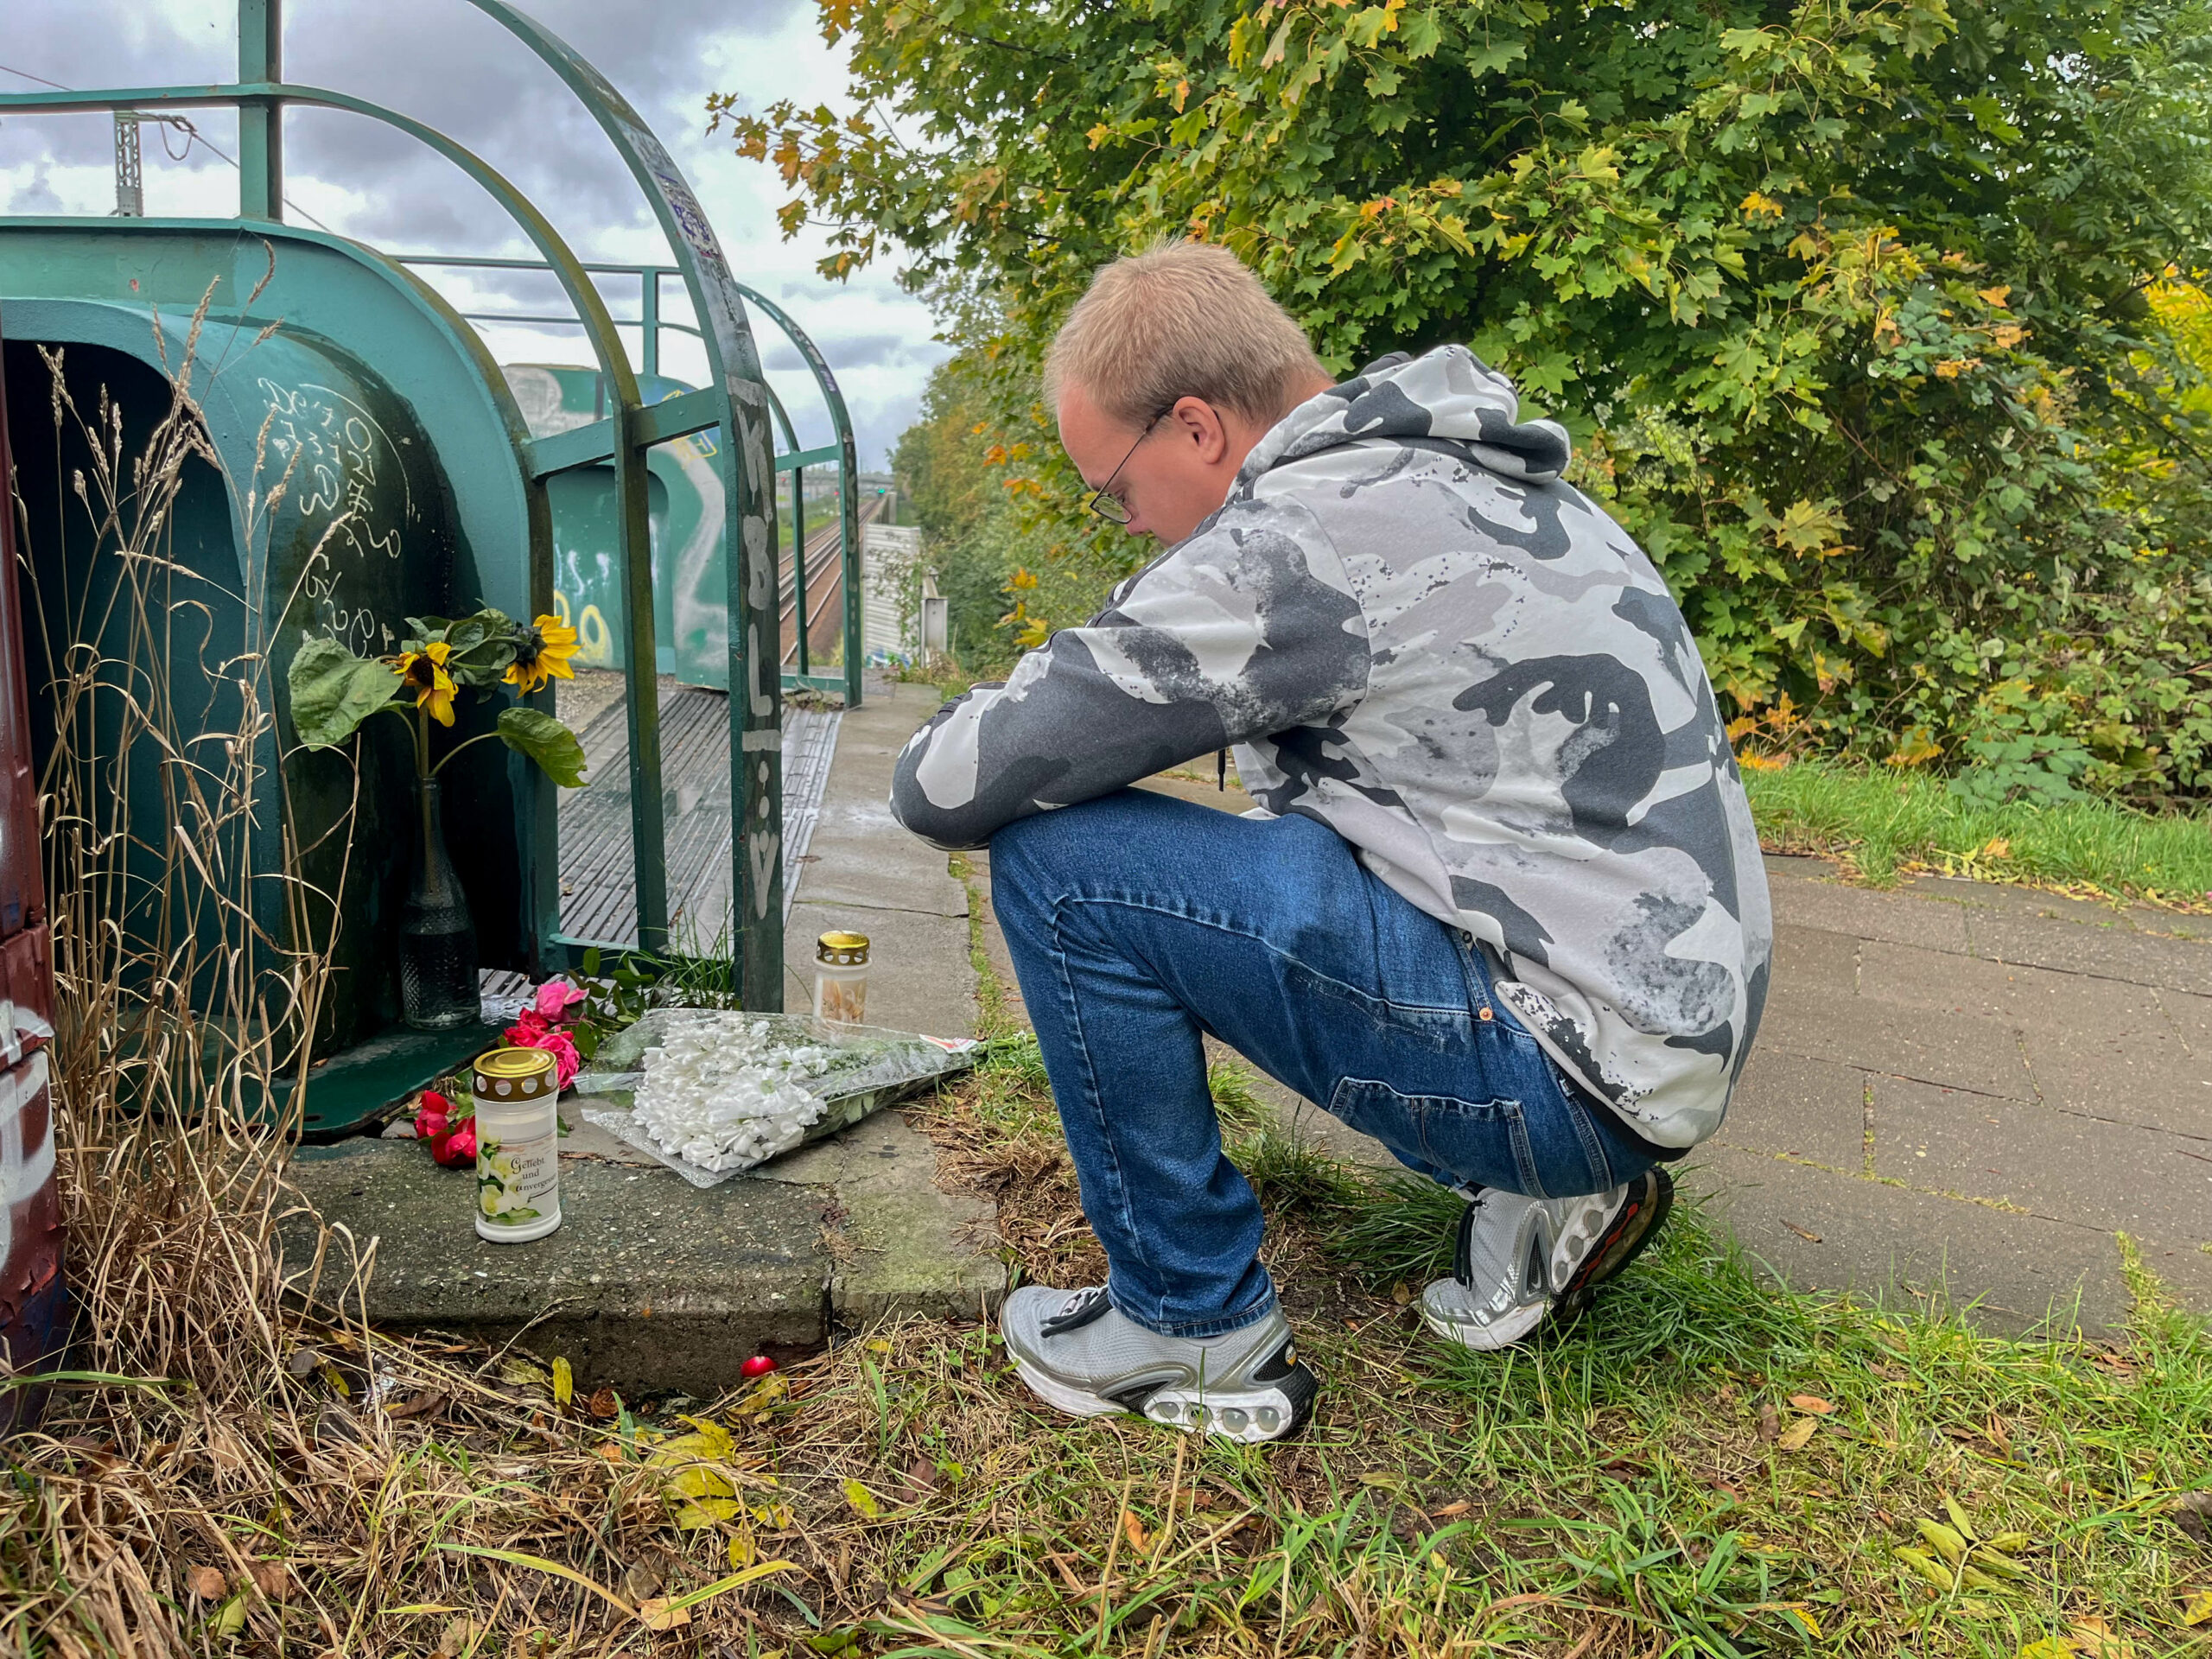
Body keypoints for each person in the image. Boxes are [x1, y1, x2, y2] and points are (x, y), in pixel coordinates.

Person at [888, 242, 1772, 1443]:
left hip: (1563, 1064)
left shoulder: (1302, 543)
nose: (1132, 525)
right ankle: (1542, 1195)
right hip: (1658, 1029)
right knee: (1282, 844)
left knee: (1067, 872)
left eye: (1116, 490)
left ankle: (1189, 1326)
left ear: (1196, 427)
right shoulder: (1488, 479)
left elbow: (949, 786)